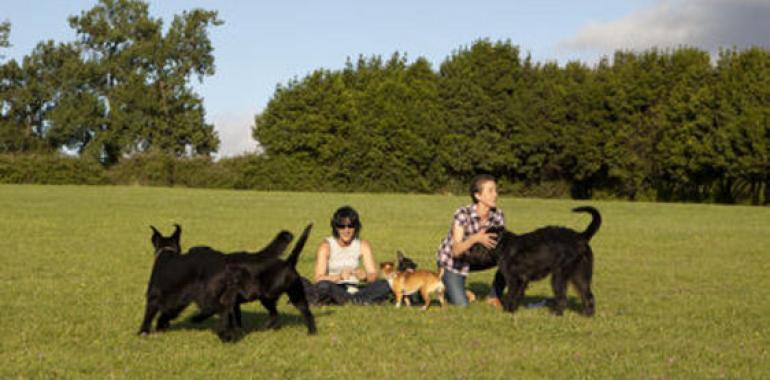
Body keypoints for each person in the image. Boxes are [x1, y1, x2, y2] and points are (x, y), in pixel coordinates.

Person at [436, 174, 507, 307]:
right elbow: (456, 251)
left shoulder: (498, 215)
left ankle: (494, 296)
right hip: (453, 261)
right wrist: (476, 238)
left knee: (510, 258)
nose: (495, 195)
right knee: (462, 304)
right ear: (478, 196)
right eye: (490, 191)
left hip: (475, 257)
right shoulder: (462, 213)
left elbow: (503, 246)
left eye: (496, 191)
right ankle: (444, 289)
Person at [311, 205, 392, 305]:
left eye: (350, 226)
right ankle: (359, 300)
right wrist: (339, 277)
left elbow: (373, 275)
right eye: (342, 226)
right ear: (336, 228)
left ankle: (352, 300)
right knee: (324, 286)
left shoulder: (363, 245)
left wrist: (365, 276)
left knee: (385, 284)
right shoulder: (325, 247)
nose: (346, 230)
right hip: (335, 287)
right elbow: (318, 278)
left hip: (355, 288)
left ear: (356, 227)